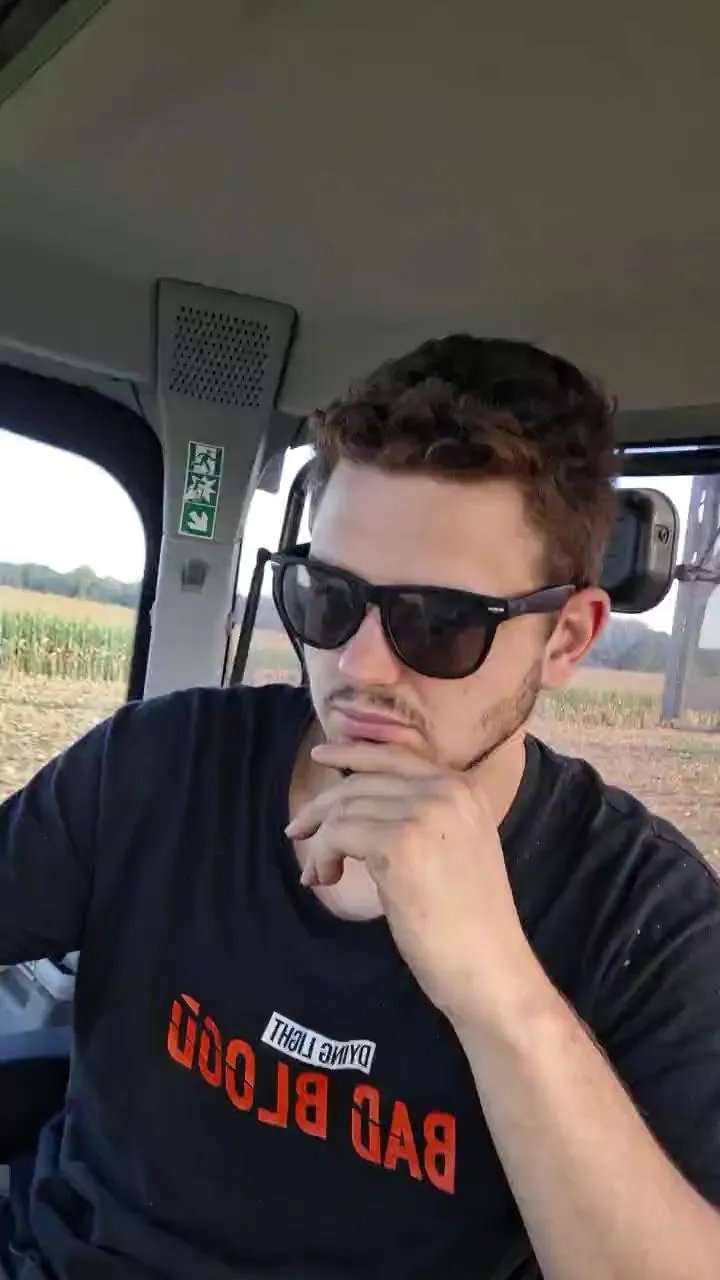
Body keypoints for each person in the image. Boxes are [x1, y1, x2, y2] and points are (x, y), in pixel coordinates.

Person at [1, 336, 719, 1280]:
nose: (358, 664)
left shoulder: (643, 917)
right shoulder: (159, 767)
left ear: (566, 639)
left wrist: (500, 992)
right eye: (329, 598)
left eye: (439, 622)